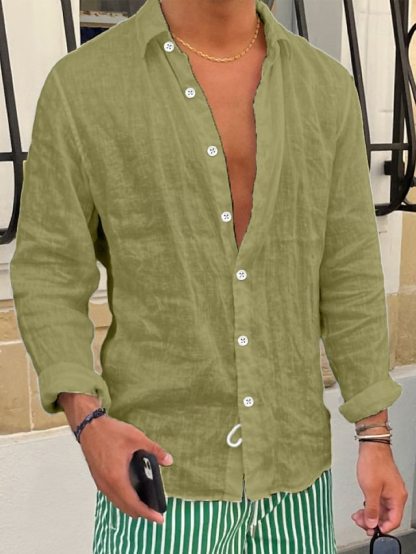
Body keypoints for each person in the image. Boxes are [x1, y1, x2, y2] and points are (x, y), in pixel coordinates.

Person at [10, 0, 408, 551]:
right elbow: (50, 268)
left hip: (295, 479)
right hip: (161, 481)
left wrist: (375, 434)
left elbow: (349, 272)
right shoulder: (84, 86)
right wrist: (88, 421)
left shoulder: (326, 88)